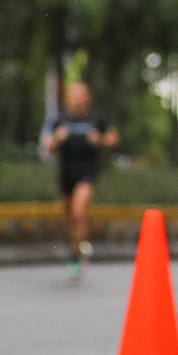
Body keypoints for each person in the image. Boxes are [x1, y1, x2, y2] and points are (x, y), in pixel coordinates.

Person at [47, 79, 118, 277]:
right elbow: (47, 146)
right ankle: (77, 250)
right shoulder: (60, 119)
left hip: (87, 172)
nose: (77, 98)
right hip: (66, 174)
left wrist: (100, 139)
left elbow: (113, 138)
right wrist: (56, 139)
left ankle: (77, 254)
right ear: (68, 98)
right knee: (71, 219)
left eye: (81, 94)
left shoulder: (97, 117)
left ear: (87, 97)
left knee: (78, 212)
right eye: (74, 95)